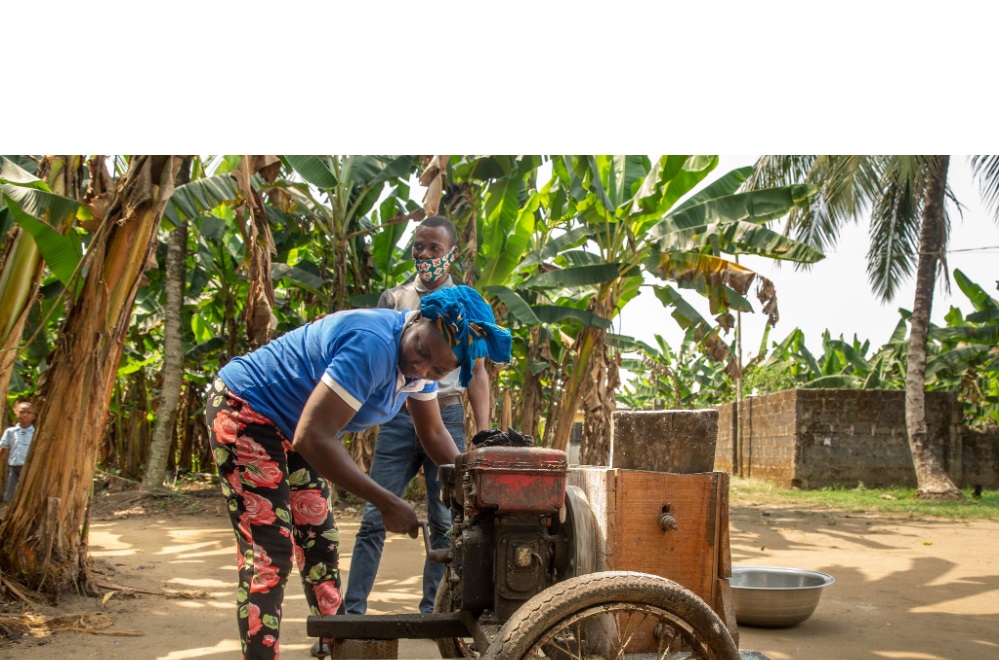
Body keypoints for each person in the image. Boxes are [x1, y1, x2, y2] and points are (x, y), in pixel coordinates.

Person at [205, 285, 511, 660]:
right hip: (247, 409)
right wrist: (387, 502)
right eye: (421, 351)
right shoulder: (373, 345)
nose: (422, 369)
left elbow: (432, 433)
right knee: (271, 553)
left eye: (438, 370)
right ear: (416, 318)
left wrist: (475, 484)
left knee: (320, 542)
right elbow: (314, 437)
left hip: (295, 428)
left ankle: (339, 646)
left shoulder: (421, 365)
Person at [345, 216, 491, 617]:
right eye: (419, 247)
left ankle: (432, 613)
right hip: (398, 418)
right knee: (373, 517)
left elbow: (478, 373)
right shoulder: (395, 299)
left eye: (435, 249)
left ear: (452, 254)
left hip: (446, 416)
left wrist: (483, 432)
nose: (425, 255)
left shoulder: (466, 305)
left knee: (444, 520)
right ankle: (351, 613)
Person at [0, 401, 36, 503]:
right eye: (22, 412)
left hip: (29, 467)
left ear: (33, 416)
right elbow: (3, 448)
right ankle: (8, 509)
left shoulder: (36, 433)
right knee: (10, 493)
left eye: (28, 412)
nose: (25, 415)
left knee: (27, 493)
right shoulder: (10, 432)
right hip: (14, 467)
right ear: (16, 413)